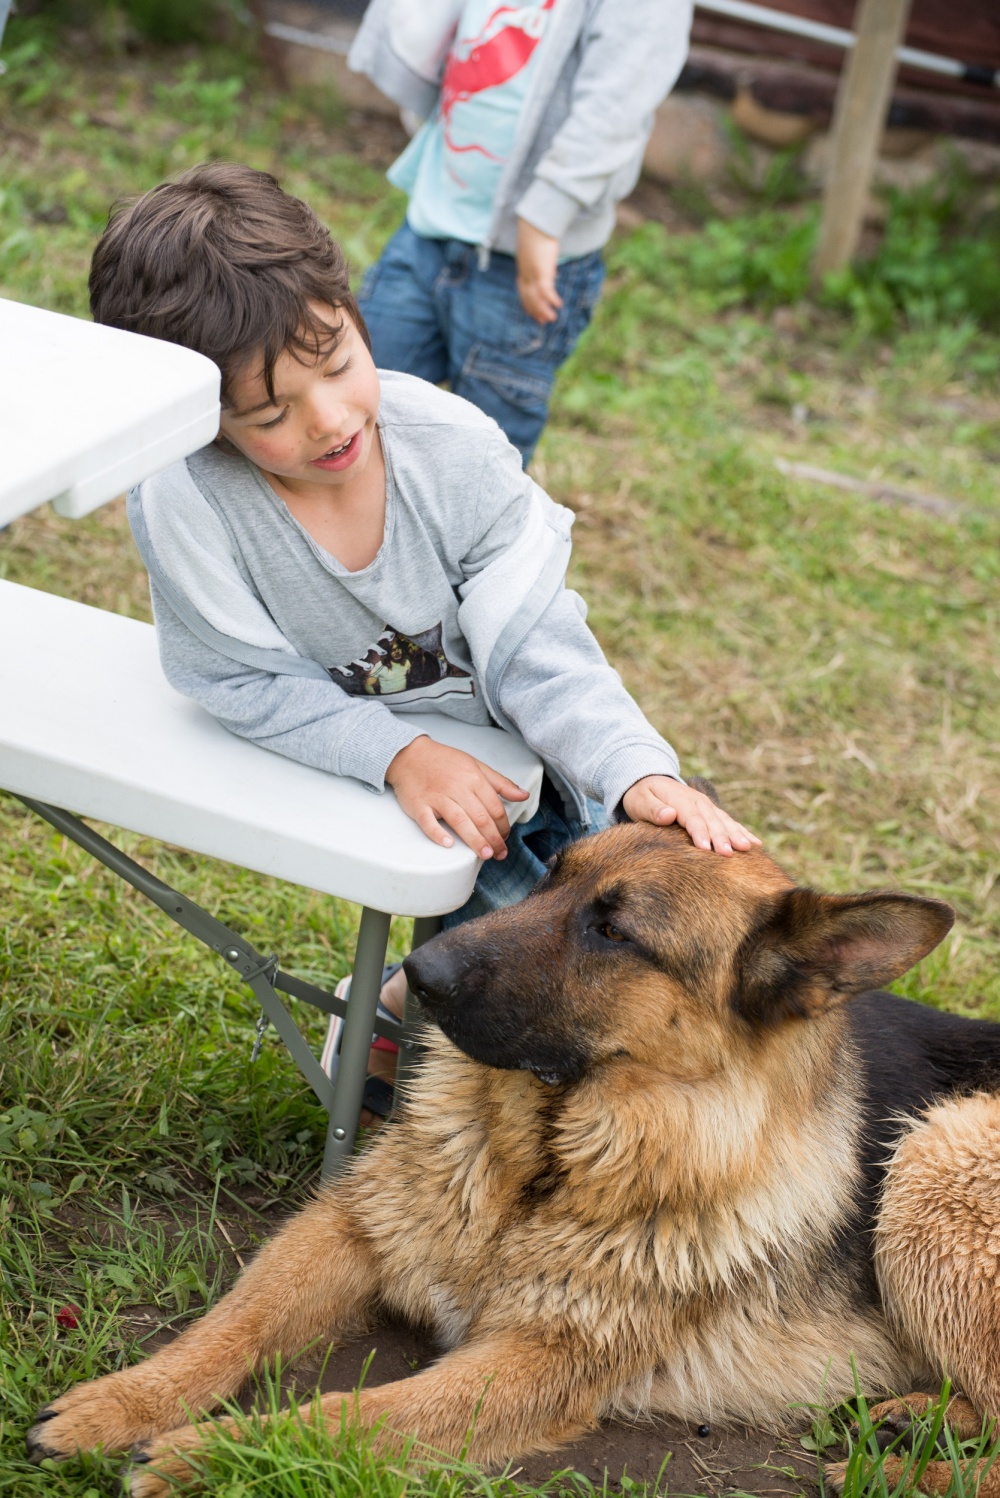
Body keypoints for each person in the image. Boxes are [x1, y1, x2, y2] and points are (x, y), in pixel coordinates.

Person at [89, 163, 757, 1124]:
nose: (330, 419)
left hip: (521, 732)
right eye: (270, 413)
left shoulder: (451, 449)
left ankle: (452, 1015)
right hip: (385, 753)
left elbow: (539, 650)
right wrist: (397, 753)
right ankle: (411, 1012)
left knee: (648, 873)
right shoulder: (188, 498)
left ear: (354, 314)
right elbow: (231, 675)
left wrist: (630, 770)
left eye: (338, 362)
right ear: (197, 416)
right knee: (505, 923)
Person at [348, 0, 693, 461]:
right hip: (431, 227)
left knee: (482, 450)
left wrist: (545, 215)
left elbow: (618, 98)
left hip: (522, 270)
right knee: (359, 392)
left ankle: (474, 530)